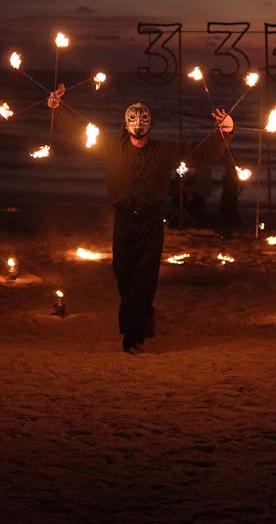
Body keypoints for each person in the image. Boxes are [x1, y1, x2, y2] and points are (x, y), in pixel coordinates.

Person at [48, 86, 234, 355]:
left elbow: (198, 154)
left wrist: (225, 132)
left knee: (145, 281)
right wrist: (57, 108)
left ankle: (132, 340)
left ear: (150, 125)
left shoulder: (163, 152)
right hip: (123, 223)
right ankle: (143, 317)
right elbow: (79, 134)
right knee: (124, 278)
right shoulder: (111, 147)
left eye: (143, 121)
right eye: (133, 120)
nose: (138, 125)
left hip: (150, 225)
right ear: (126, 124)